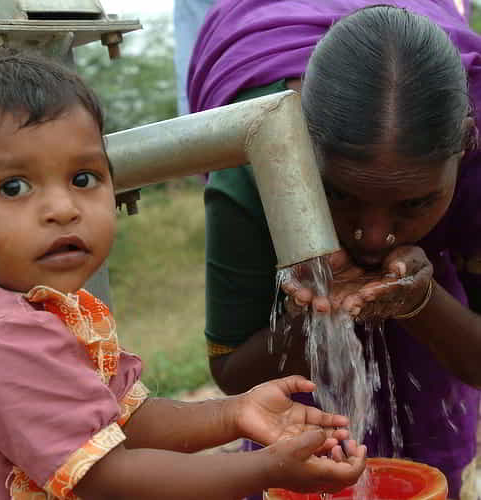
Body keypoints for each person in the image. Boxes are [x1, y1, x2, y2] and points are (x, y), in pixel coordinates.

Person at [0, 50, 367, 500]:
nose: (64, 209)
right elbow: (107, 477)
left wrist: (236, 413)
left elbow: (125, 420)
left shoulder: (44, 310)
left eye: (84, 179)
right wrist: (266, 470)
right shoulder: (6, 337)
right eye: (14, 187)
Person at [187, 1, 481, 498]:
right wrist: (312, 310)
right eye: (339, 195)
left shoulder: (477, 172)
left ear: (466, 147)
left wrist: (423, 301)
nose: (372, 236)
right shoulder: (255, 156)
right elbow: (234, 374)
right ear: (302, 151)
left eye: (414, 202)